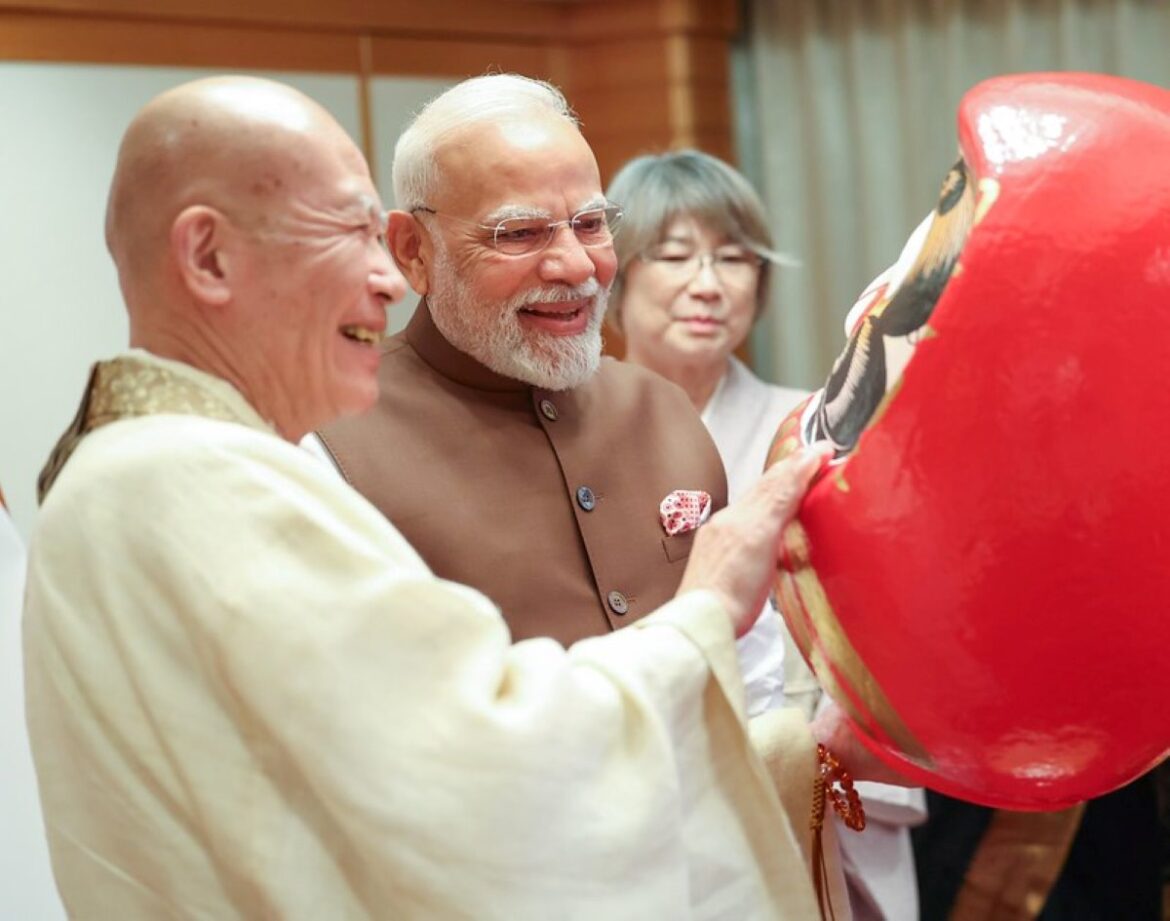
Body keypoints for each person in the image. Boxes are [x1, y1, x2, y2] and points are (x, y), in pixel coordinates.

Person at [23, 74, 887, 920]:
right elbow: (480, 763)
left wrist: (799, 740)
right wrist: (704, 608)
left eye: (591, 224)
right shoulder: (198, 480)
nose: (386, 282)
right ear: (209, 256)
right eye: (350, 234)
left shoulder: (136, 466)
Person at [309, 75, 785, 716]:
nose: (578, 266)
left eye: (590, 224)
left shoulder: (662, 410)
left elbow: (749, 681)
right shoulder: (330, 446)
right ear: (412, 251)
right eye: (520, 234)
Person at [606, 149, 926, 921]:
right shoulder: (568, 441)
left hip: (808, 790)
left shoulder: (819, 427)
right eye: (675, 256)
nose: (708, 284)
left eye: (735, 259)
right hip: (636, 796)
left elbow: (887, 626)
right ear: (612, 276)